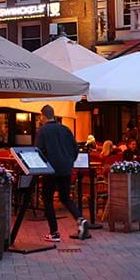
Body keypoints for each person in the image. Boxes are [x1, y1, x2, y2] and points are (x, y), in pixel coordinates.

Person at [36, 104, 89, 243]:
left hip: (51, 170)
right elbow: (75, 148)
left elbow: (39, 151)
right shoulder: (65, 129)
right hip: (66, 168)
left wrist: (42, 166)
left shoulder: (43, 131)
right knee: (65, 197)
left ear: (43, 116)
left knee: (47, 199)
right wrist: (69, 161)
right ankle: (80, 218)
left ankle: (54, 232)